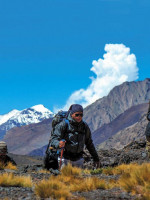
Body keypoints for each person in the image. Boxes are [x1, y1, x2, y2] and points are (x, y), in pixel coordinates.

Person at [50, 104, 100, 169]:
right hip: (65, 158)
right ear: (72, 114)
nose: (79, 117)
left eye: (81, 115)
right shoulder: (63, 124)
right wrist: (59, 144)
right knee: (64, 178)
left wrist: (96, 158)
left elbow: (89, 143)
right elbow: (54, 139)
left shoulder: (84, 126)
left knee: (79, 178)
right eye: (77, 115)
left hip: (79, 159)